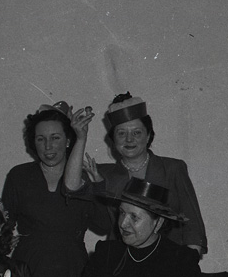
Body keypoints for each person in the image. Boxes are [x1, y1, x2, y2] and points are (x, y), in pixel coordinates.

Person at [2, 102, 110, 277]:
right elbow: (4, 223)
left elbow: (104, 225)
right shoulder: (19, 176)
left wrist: (99, 185)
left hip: (72, 269)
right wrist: (4, 243)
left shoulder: (84, 176)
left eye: (55, 138)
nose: (48, 146)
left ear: (68, 140)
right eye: (41, 139)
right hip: (29, 268)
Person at [64, 92, 207, 256]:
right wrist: (80, 138)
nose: (129, 139)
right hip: (122, 261)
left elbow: (193, 225)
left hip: (169, 260)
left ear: (148, 135)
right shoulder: (102, 174)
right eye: (121, 133)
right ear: (113, 139)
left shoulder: (172, 168)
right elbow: (71, 187)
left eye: (137, 133)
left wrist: (188, 263)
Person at [66, 178, 209, 277]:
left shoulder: (181, 260)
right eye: (122, 213)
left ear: (158, 223)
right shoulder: (106, 254)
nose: (123, 223)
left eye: (134, 217)